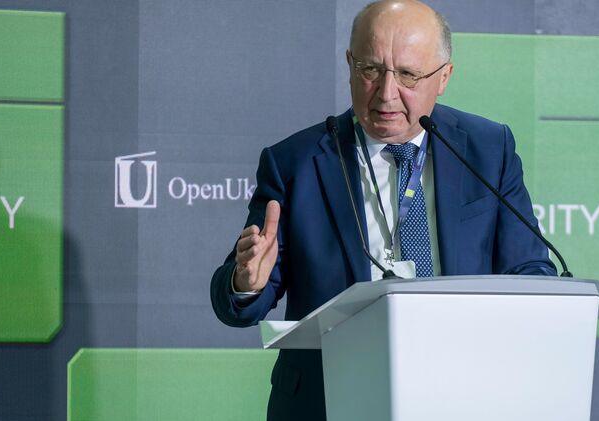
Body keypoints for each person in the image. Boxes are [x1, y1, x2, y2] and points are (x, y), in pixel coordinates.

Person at [211, 0, 556, 419]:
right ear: (349, 64)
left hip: (462, 394)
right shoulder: (296, 162)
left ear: (444, 77)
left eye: (408, 74)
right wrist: (247, 282)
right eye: (370, 70)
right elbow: (239, 303)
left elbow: (530, 270)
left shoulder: (487, 150)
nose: (387, 93)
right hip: (328, 399)